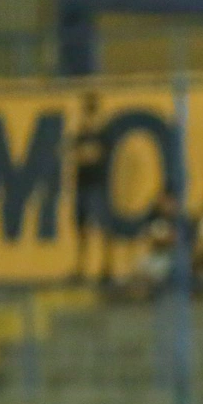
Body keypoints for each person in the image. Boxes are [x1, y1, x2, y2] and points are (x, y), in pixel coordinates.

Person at [70, 91, 114, 283]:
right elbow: (78, 156)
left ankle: (106, 267)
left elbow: (95, 156)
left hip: (97, 185)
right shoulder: (82, 132)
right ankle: (81, 268)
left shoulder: (102, 133)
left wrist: (86, 155)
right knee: (82, 229)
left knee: (103, 227)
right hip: (83, 185)